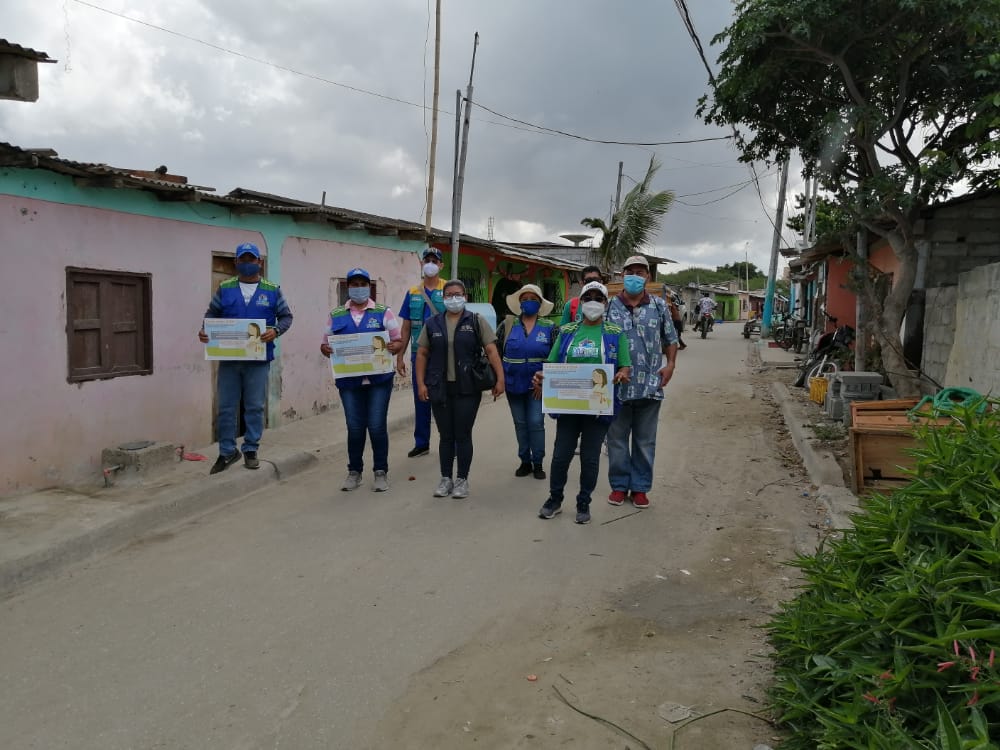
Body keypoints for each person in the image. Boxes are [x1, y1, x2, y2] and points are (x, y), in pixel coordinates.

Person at [535, 281, 631, 525]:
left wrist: (622, 374)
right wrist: (543, 376)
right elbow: (552, 363)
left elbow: (625, 365)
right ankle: (554, 499)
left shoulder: (615, 333)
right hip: (569, 405)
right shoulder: (567, 331)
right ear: (580, 302)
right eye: (588, 297)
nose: (593, 302)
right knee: (561, 455)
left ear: (606, 303)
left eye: (599, 298)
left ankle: (583, 503)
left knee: (590, 458)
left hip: (597, 405)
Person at [199, 242, 293, 473]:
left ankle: (251, 449)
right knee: (226, 407)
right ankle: (227, 452)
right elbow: (212, 314)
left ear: (259, 262)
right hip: (229, 360)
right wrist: (205, 330)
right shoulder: (225, 288)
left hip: (258, 360)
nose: (247, 263)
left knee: (254, 407)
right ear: (236, 262)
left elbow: (286, 317)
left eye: (252, 259)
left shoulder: (272, 290)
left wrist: (276, 331)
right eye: (243, 259)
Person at [415, 279, 505, 499]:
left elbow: (491, 351)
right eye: (449, 295)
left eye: (458, 294)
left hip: (468, 388)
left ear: (465, 297)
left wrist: (500, 379)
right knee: (445, 436)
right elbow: (422, 354)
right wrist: (421, 383)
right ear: (443, 298)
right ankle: (446, 478)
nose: (453, 298)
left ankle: (462, 480)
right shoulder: (432, 323)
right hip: (439, 387)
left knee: (463, 434)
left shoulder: (475, 320)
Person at [604, 255, 678, 510]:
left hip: (650, 385)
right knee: (616, 440)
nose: (635, 276)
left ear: (648, 276)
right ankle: (618, 486)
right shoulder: (609, 307)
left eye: (640, 272)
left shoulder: (658, 306)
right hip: (616, 386)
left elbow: (670, 339)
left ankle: (640, 488)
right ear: (622, 275)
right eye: (630, 271)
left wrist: (670, 365)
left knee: (645, 441)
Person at [320, 267, 404, 492]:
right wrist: (326, 349)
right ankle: (354, 472)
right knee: (355, 428)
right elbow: (325, 344)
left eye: (363, 284)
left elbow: (398, 341)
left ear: (369, 287)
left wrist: (394, 347)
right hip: (349, 382)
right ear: (348, 287)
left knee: (376, 426)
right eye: (354, 284)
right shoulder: (336, 315)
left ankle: (380, 471)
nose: (359, 288)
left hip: (379, 380)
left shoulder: (383, 312)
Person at [496, 283, 558, 480]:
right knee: (520, 423)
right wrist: (498, 379)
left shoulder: (550, 328)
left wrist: (545, 378)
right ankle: (525, 461)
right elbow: (495, 352)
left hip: (538, 386)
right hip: (513, 384)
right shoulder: (507, 325)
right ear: (520, 303)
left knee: (536, 422)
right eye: (525, 299)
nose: (529, 302)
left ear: (540, 303)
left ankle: (538, 462)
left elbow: (557, 357)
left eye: (533, 299)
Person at [396, 247, 447, 458]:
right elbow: (406, 327)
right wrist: (400, 356)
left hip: (443, 354)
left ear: (441, 265)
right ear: (422, 263)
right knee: (421, 398)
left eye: (435, 260)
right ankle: (422, 443)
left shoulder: (449, 290)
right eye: (427, 260)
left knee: (444, 399)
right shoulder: (412, 293)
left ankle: (449, 441)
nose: (430, 264)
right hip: (418, 354)